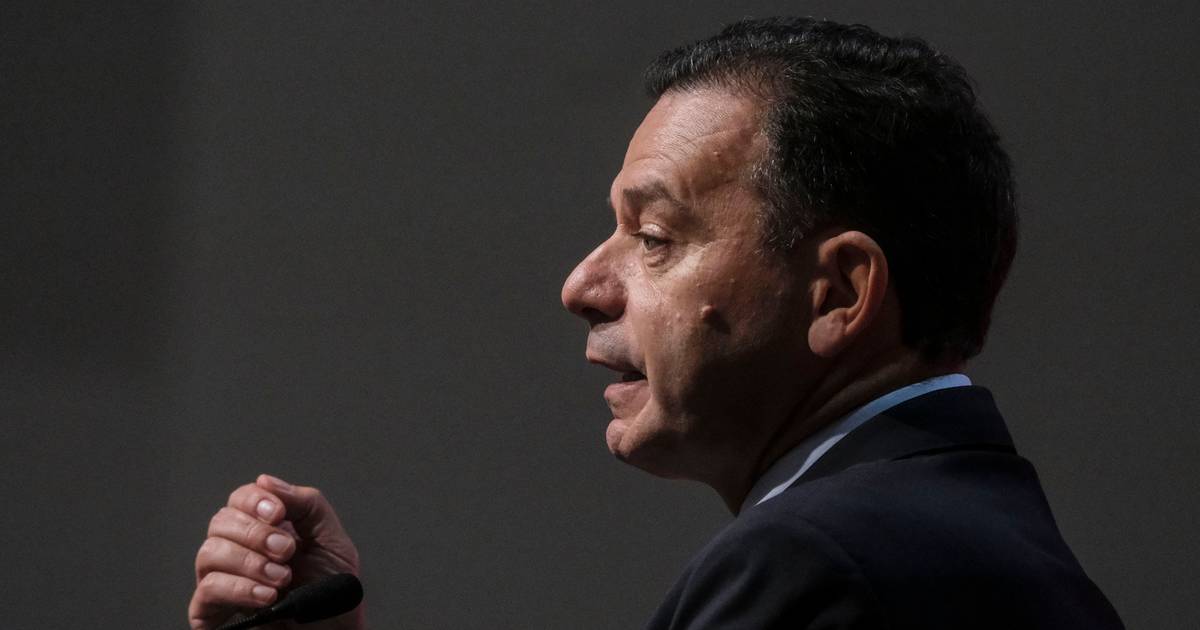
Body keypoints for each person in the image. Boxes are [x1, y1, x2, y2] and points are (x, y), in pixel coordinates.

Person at [187, 17, 1124, 629]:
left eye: (654, 237)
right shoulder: (991, 541)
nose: (583, 285)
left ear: (840, 293)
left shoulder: (812, 565)